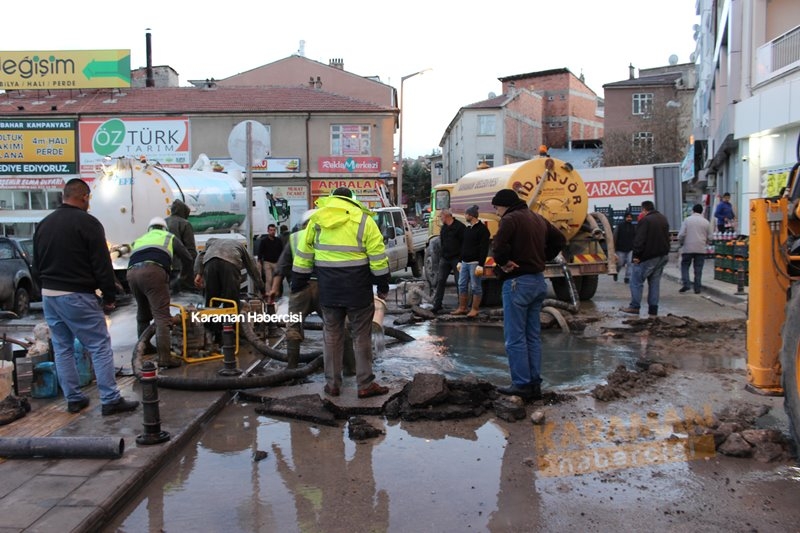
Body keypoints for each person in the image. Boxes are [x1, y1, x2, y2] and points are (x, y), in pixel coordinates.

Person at [32, 178, 139, 416]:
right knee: (99, 345)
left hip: (49, 295)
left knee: (62, 348)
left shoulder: (44, 224)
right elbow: (101, 263)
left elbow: (35, 265)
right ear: (84, 197)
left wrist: (45, 288)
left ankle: (73, 399)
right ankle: (110, 399)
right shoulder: (88, 223)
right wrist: (109, 295)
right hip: (76, 295)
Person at [292, 187, 390, 399]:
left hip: (329, 290)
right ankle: (365, 384)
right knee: (361, 336)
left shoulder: (317, 220)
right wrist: (383, 287)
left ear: (332, 199)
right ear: (351, 200)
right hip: (358, 291)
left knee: (331, 336)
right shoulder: (364, 221)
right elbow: (378, 259)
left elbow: (303, 255)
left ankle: (332, 385)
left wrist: (297, 283)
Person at [491, 189, 566, 401]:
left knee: (515, 338)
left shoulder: (510, 219)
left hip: (517, 282)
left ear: (504, 205)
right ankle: (534, 384)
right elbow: (560, 240)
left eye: (496, 208)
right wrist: (543, 256)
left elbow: (498, 247)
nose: (497, 212)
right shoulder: (537, 218)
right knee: (532, 336)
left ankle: (521, 384)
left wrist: (503, 262)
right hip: (538, 281)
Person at [269, 210, 356, 374]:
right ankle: (350, 367)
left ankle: (291, 368)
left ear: (303, 224)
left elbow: (281, 267)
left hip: (300, 289)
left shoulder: (294, 238)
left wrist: (274, 289)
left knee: (293, 326)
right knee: (338, 325)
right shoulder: (329, 236)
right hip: (325, 288)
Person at [127, 217, 193, 368]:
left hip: (131, 274)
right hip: (153, 272)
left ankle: (144, 347)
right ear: (164, 228)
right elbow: (187, 258)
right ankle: (165, 358)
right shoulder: (168, 237)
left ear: (149, 229)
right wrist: (183, 277)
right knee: (162, 317)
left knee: (143, 313)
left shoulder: (140, 239)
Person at [194, 237, 265, 342]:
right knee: (231, 302)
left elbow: (200, 257)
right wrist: (262, 288)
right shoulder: (240, 246)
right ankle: (230, 336)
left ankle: (213, 335)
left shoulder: (211, 243)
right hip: (230, 263)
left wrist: (198, 274)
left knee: (211, 302)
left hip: (210, 263)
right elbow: (252, 268)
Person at [621, 200, 671, 317]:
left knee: (636, 282)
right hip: (662, 256)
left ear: (644, 209)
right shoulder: (663, 219)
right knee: (654, 283)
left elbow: (639, 240)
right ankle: (653, 309)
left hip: (647, 257)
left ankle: (634, 306)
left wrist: (636, 256)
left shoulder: (645, 220)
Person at [453, 204, 490, 318]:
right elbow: (463, 246)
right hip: (465, 262)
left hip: (475, 263)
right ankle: (462, 307)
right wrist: (460, 260)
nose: (465, 216)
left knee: (475, 286)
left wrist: (481, 264)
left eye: (466, 214)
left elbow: (484, 248)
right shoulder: (467, 229)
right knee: (461, 284)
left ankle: (475, 309)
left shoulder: (482, 230)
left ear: (471, 215)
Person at [432, 208, 466, 313]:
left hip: (456, 258)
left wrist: (461, 258)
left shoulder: (460, 227)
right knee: (440, 281)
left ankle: (462, 306)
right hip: (445, 258)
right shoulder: (444, 228)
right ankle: (437, 305)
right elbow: (442, 242)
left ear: (446, 216)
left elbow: (464, 243)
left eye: (441, 216)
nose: (440, 218)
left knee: (459, 282)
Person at [678, 204, 713, 294]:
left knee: (685, 266)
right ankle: (697, 288)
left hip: (688, 248)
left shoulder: (687, 220)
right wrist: (707, 242)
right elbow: (710, 237)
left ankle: (686, 283)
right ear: (702, 211)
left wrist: (681, 242)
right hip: (701, 248)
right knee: (698, 269)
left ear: (693, 210)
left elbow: (681, 234)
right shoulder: (706, 222)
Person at [165, 199, 197, 293]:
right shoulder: (185, 224)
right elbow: (190, 249)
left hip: (164, 265)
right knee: (183, 294)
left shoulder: (163, 222)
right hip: (180, 266)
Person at [257, 223, 283, 292]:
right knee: (269, 279)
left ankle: (276, 293)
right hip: (267, 262)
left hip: (276, 263)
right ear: (268, 231)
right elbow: (260, 251)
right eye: (271, 230)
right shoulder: (264, 241)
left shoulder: (278, 241)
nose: (272, 232)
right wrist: (259, 261)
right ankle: (268, 294)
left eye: (274, 230)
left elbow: (281, 251)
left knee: (277, 279)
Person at [612, 210, 636, 283]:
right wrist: (614, 247)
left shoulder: (633, 227)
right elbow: (615, 236)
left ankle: (627, 277)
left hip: (630, 248)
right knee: (620, 263)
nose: (629, 218)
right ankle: (616, 272)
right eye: (628, 217)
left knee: (630, 263)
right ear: (625, 218)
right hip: (620, 248)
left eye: (630, 217)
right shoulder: (620, 226)